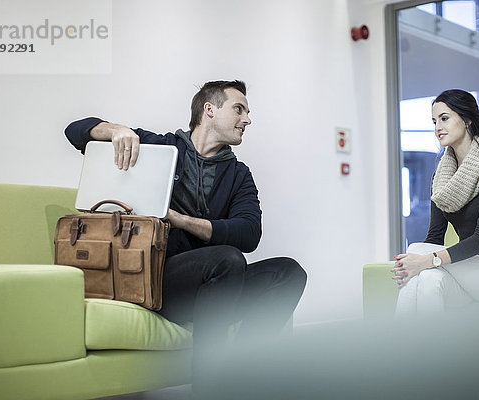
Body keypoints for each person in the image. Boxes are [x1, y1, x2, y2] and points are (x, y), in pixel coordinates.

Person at [65, 80, 307, 392]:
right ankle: (210, 387)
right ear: (210, 110)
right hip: (157, 281)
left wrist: (181, 220)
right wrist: (115, 129)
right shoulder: (159, 147)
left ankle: (242, 370)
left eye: (247, 112)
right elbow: (75, 131)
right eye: (239, 109)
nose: (247, 119)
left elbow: (249, 233)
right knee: (227, 258)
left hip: (216, 285)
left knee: (289, 272)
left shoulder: (238, 174)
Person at [391, 89, 479, 316]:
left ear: (467, 120)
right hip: (463, 268)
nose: (438, 127)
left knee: (416, 251)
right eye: (434, 121)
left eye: (444, 119)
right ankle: (414, 348)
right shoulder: (441, 177)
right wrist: (420, 265)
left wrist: (426, 259)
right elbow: (435, 237)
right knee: (427, 278)